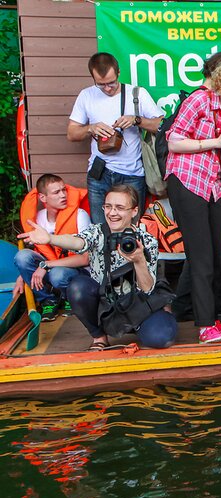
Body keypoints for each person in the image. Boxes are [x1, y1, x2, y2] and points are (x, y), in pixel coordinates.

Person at [17, 185, 177, 350]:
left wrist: (139, 261)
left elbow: (147, 289)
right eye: (108, 206)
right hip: (108, 305)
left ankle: (147, 323)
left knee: (161, 339)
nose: (112, 213)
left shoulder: (147, 240)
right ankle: (99, 337)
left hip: (140, 304)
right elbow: (77, 242)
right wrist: (50, 238)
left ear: (134, 211)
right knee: (78, 287)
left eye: (120, 208)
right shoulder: (97, 232)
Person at [165, 54, 221, 344]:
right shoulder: (199, 101)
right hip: (188, 183)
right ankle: (204, 327)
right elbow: (173, 141)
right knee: (202, 257)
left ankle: (212, 318)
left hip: (213, 186)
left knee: (218, 256)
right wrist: (214, 143)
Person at [67, 52, 164, 224]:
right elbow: (72, 133)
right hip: (99, 172)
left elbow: (162, 126)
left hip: (132, 173)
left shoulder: (137, 94)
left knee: (132, 232)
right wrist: (91, 128)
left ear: (119, 73)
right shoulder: (87, 95)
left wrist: (136, 120)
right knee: (100, 231)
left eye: (111, 82)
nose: (107, 88)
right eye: (101, 84)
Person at [13, 174, 90, 321]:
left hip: (76, 270)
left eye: (64, 190)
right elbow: (37, 252)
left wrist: (45, 265)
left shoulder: (80, 215)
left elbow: (85, 259)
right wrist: (22, 276)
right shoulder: (38, 219)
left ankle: (70, 298)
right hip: (52, 266)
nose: (63, 195)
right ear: (43, 198)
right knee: (22, 256)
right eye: (56, 192)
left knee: (58, 275)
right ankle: (48, 300)